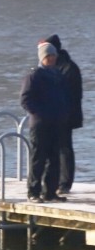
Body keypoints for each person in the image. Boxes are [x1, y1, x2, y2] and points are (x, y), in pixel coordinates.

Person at [20, 40, 70, 203]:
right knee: (38, 158)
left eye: (54, 56)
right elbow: (25, 99)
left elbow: (63, 97)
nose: (52, 59)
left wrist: (63, 113)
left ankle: (50, 192)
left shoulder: (58, 75)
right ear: (42, 58)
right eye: (48, 56)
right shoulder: (34, 76)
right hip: (40, 124)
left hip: (56, 123)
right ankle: (33, 192)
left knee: (54, 158)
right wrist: (39, 114)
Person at [44, 35, 83, 195]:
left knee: (64, 148)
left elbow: (69, 94)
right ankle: (57, 181)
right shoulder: (57, 66)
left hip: (66, 115)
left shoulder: (67, 67)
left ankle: (65, 183)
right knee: (58, 148)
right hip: (56, 114)